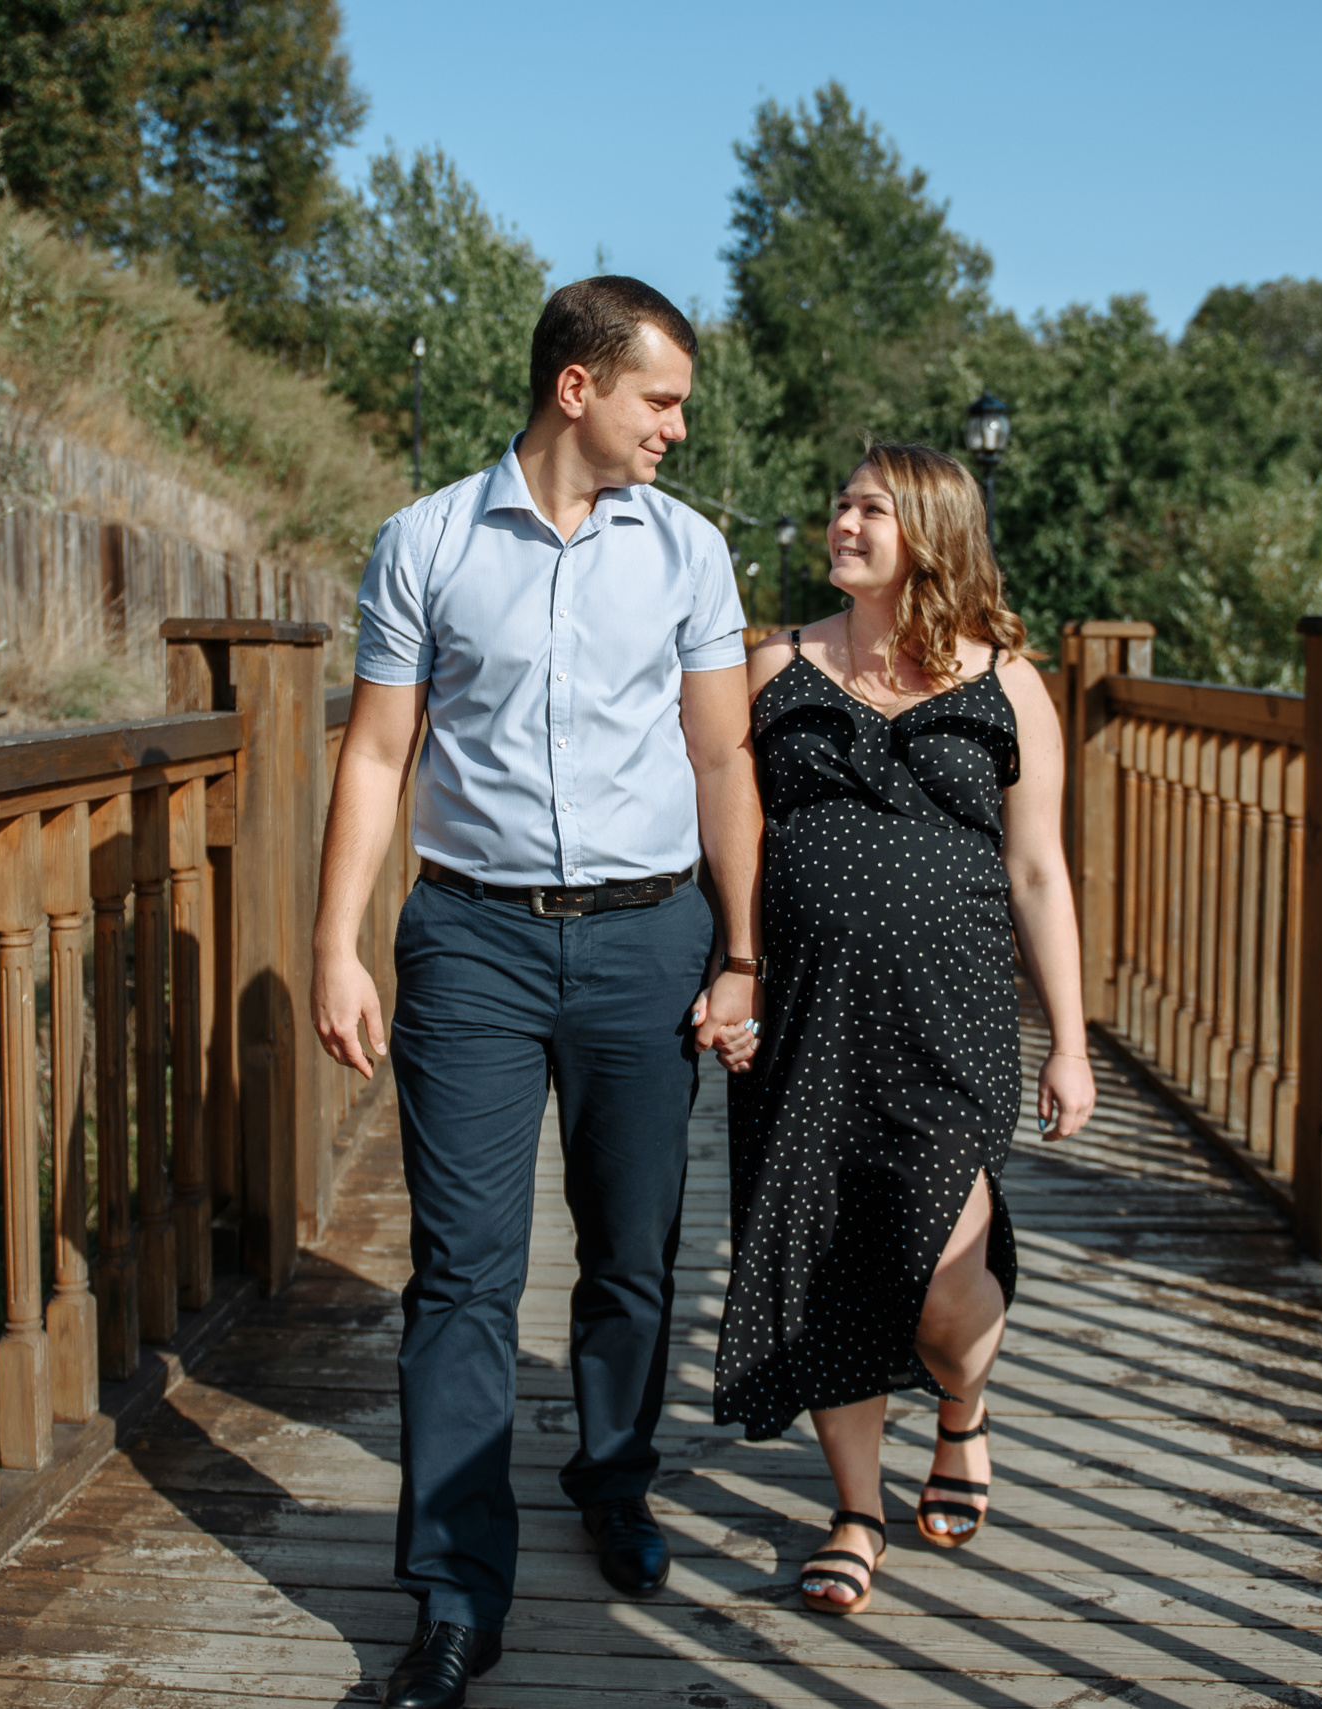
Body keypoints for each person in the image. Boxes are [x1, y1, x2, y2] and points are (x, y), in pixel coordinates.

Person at [311, 276, 761, 1709]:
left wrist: (739, 952)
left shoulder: (688, 551)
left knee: (631, 1252)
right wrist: (337, 943)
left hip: (648, 940)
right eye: (660, 399)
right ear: (579, 388)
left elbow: (722, 760)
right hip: (472, 945)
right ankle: (456, 1593)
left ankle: (615, 1477)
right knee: (463, 1275)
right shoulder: (427, 541)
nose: (676, 426)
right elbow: (376, 755)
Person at [707, 442, 1095, 1616]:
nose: (844, 522)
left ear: (931, 529)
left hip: (951, 1016)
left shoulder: (1007, 680)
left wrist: (1070, 1039)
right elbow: (733, 830)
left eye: (872, 508)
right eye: (841, 503)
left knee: (939, 1266)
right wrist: (734, 969)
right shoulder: (774, 663)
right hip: (807, 1013)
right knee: (828, 1255)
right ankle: (855, 1508)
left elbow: (1038, 870)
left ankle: (962, 1405)